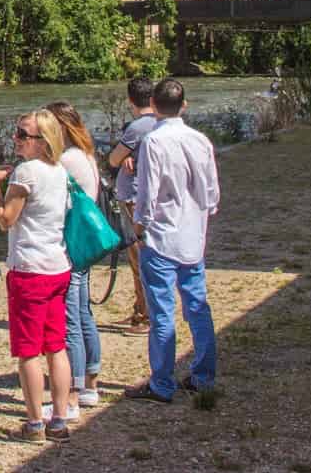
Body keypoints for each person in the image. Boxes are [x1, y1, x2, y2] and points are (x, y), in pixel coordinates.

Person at [127, 78, 221, 403]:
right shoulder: (200, 140)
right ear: (185, 105)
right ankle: (203, 376)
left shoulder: (154, 142)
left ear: (152, 104)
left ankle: (163, 383)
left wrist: (139, 227)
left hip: (161, 236)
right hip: (193, 236)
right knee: (197, 306)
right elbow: (211, 191)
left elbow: (148, 192)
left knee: (162, 311)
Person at [0, 109, 74, 442]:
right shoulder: (60, 170)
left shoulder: (26, 172)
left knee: (28, 351)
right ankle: (60, 418)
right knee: (56, 347)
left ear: (43, 141)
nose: (17, 138)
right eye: (17, 132)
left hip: (30, 269)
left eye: (24, 135)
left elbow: (5, 219)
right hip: (58, 266)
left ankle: (36, 422)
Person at [47, 101, 103, 414]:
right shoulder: (85, 155)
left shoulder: (67, 159)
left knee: (70, 318)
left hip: (70, 245)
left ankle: (74, 387)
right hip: (83, 244)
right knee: (83, 313)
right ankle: (90, 381)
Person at [107, 77, 157, 333]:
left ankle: (146, 315)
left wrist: (122, 157)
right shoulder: (160, 122)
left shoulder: (137, 128)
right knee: (141, 257)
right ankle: (140, 310)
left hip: (134, 197)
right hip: (145, 196)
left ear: (130, 100)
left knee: (138, 258)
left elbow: (114, 159)